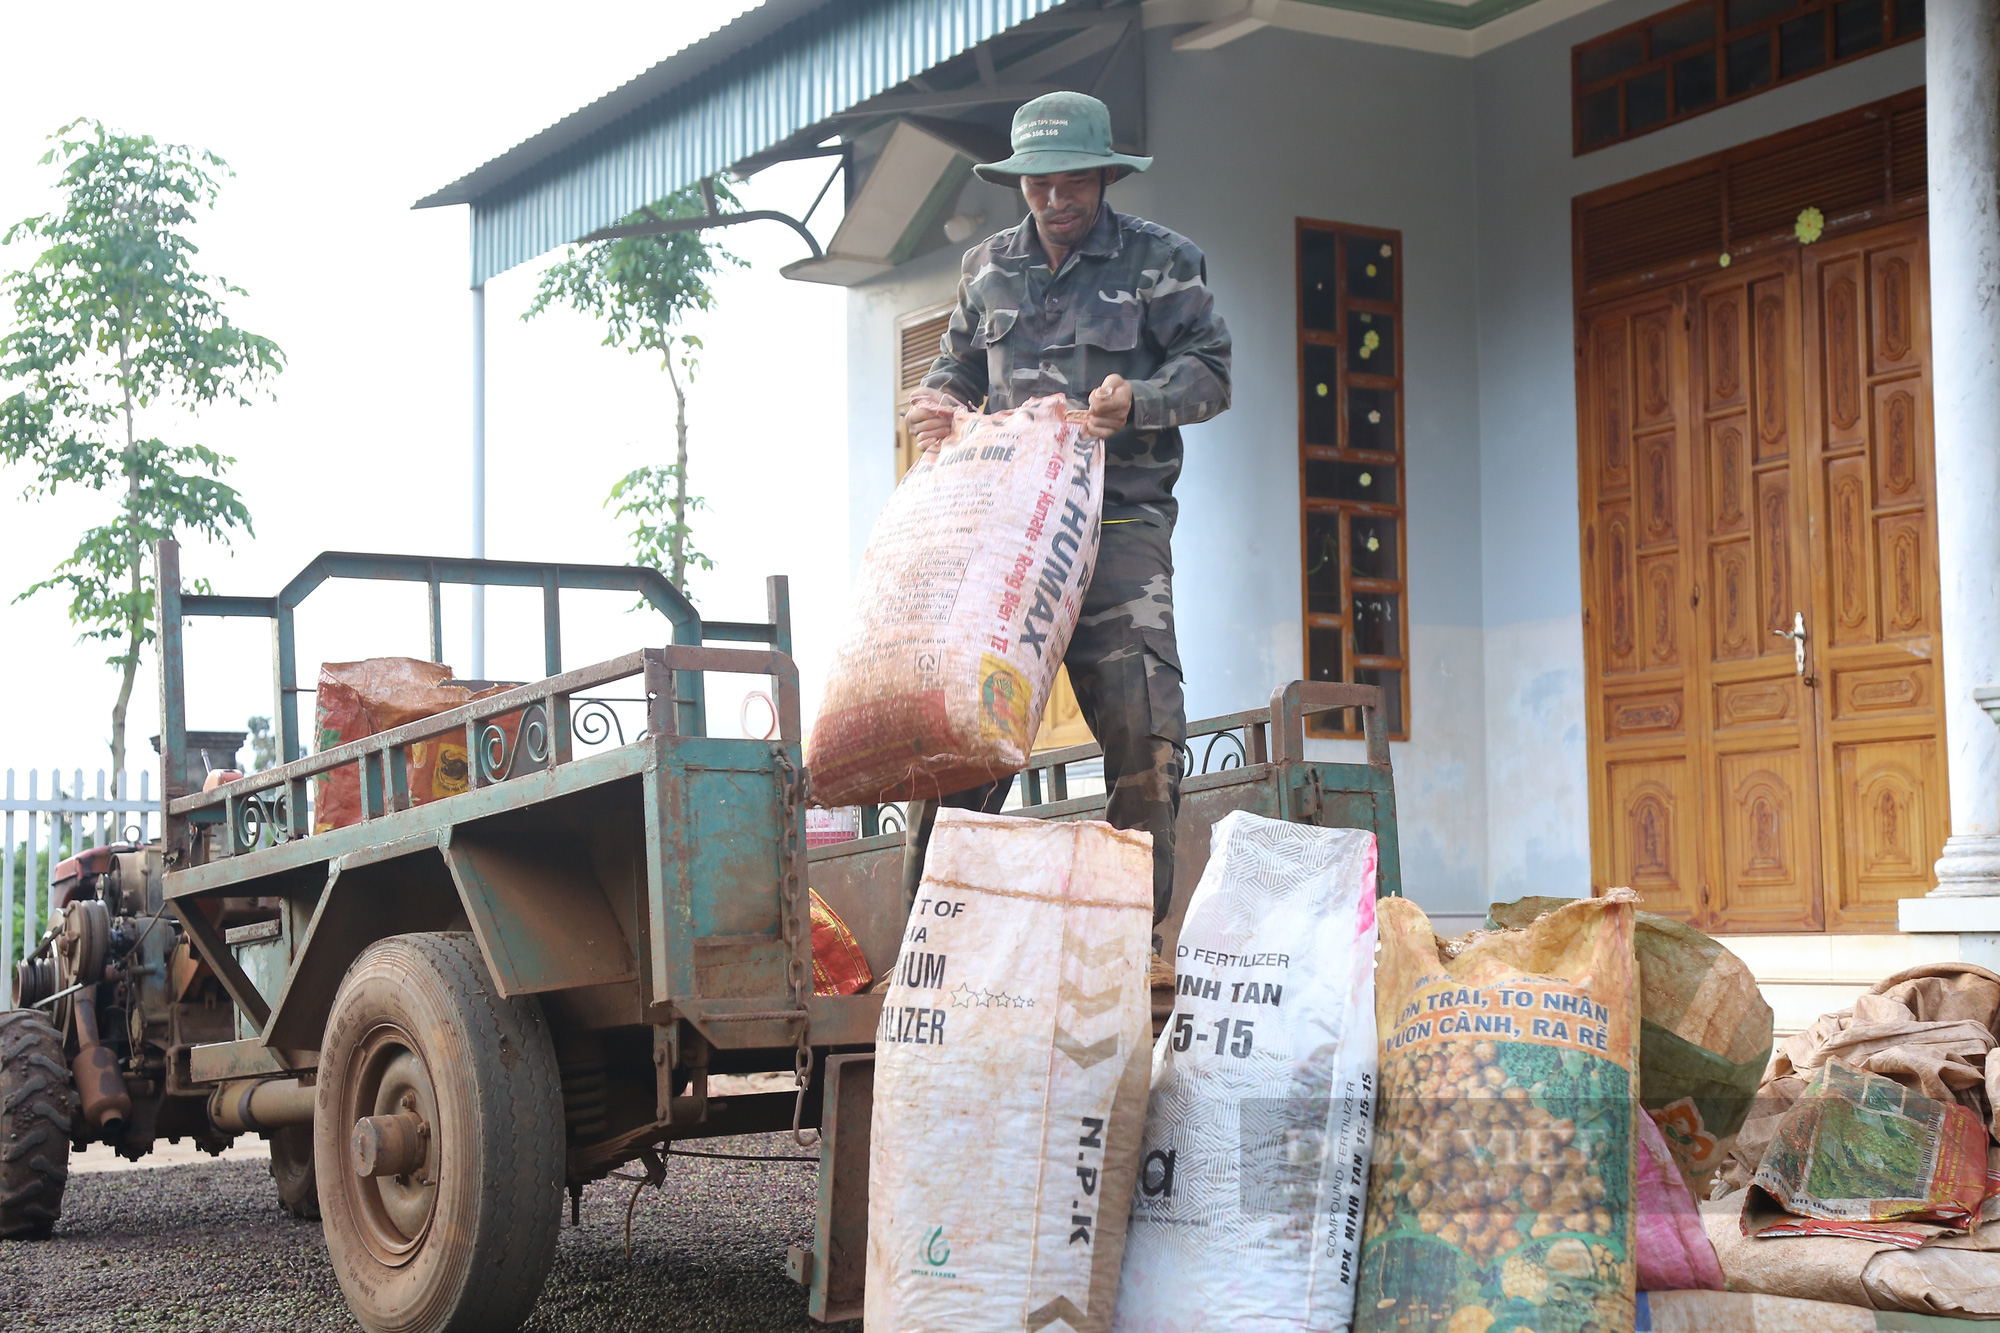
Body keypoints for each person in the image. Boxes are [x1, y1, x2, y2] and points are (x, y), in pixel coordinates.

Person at [902, 90, 1232, 938]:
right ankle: (930, 943)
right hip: (1009, 542)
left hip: (1118, 528)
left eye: (1073, 181)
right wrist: (939, 404)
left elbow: (1212, 374)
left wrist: (1142, 400)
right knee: (962, 745)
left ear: (1105, 175)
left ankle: (1130, 946)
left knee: (1144, 739)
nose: (1056, 200)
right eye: (1039, 184)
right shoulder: (984, 270)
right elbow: (958, 371)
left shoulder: (1163, 262)